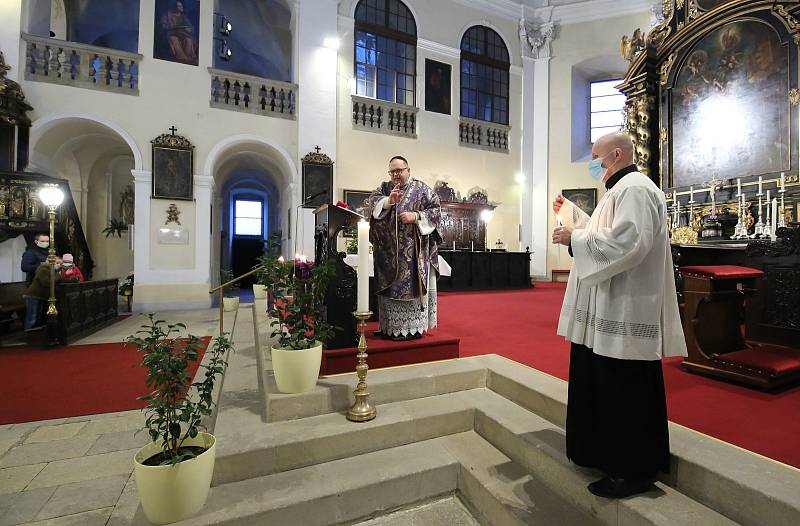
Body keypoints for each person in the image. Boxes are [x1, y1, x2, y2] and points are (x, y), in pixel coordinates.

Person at [551, 131, 687, 499]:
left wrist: (574, 239)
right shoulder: (618, 191)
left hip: (627, 305)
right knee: (605, 383)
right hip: (609, 303)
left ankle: (632, 470)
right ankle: (604, 456)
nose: (592, 162)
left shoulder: (636, 189)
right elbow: (604, 234)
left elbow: (629, 242)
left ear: (615, 154)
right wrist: (575, 221)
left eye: (595, 156)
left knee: (623, 387)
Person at [367, 156, 442, 341]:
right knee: (388, 291)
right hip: (387, 254)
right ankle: (388, 327)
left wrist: (416, 216)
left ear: (408, 170)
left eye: (399, 170)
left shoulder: (422, 189)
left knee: (410, 290)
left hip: (413, 254)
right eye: (392, 171)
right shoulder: (384, 188)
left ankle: (411, 329)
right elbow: (372, 203)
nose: (396, 175)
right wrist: (388, 202)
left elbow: (436, 211)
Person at [23, 259, 61, 331]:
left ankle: (35, 335)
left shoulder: (50, 270)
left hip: (40, 296)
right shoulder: (43, 269)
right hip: (34, 295)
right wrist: (57, 275)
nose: (58, 265)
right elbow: (47, 282)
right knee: (32, 318)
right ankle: (29, 335)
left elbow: (59, 279)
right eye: (57, 263)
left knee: (37, 317)